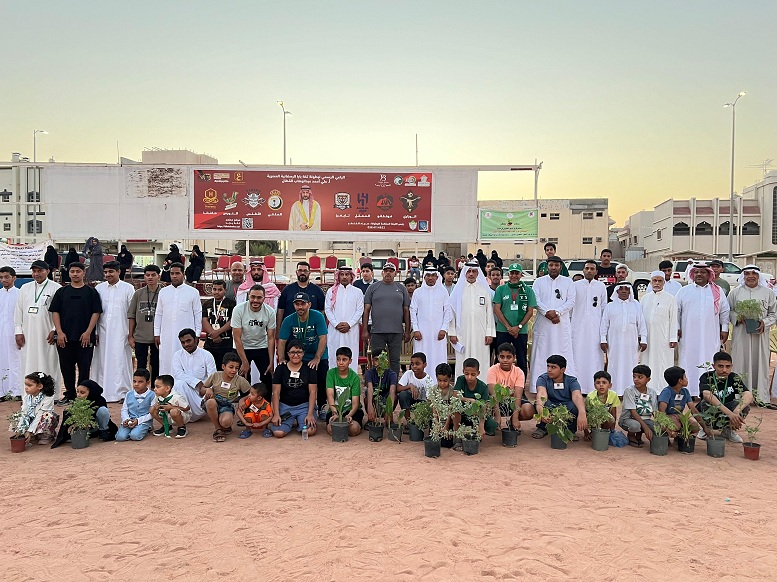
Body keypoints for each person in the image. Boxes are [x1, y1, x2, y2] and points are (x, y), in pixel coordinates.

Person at [49, 261, 102, 404]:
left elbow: (96, 313)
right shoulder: (62, 292)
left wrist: (88, 332)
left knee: (84, 368)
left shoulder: (91, 292)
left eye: (78, 271)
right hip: (64, 338)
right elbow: (55, 312)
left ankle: (82, 397)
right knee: (66, 368)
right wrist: (59, 332)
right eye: (72, 271)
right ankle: (70, 394)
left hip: (85, 338)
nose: (75, 274)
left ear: (83, 272)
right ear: (69, 273)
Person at [675, 262, 730, 397]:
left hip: (710, 334)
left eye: (703, 272)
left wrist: (724, 329)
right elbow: (676, 312)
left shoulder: (717, 291)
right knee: (688, 360)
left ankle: (708, 392)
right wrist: (677, 328)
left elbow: (724, 311)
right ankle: (689, 392)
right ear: (692, 274)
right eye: (697, 272)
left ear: (709, 274)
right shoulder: (684, 291)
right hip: (688, 334)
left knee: (709, 359)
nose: (699, 274)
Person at [728, 265, 777, 404]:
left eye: (754, 273)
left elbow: (774, 313)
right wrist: (738, 317)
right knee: (740, 362)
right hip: (741, 334)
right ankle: (739, 398)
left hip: (760, 336)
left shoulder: (768, 293)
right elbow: (728, 311)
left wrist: (765, 322)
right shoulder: (735, 293)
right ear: (743, 276)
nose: (750, 276)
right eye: (747, 273)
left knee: (760, 363)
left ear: (758, 276)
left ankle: (760, 397)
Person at [277, 292, 329, 412]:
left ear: (309, 304)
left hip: (318, 353)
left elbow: (323, 338)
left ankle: (321, 406)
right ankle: (303, 406)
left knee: (322, 378)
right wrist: (281, 359)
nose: (300, 307)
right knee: (301, 380)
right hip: (299, 355)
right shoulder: (288, 319)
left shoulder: (318, 316)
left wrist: (317, 358)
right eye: (297, 304)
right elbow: (282, 341)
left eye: (303, 304)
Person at [530, 256, 576, 392]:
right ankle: (537, 386)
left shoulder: (568, 282)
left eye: (556, 265)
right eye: (551, 265)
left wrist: (557, 312)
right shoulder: (538, 282)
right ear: (547, 266)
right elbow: (536, 301)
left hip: (561, 325)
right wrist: (547, 313)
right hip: (543, 325)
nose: (553, 268)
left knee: (563, 351)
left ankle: (566, 387)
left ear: (560, 267)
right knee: (541, 353)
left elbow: (571, 301)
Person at [93, 260, 135, 402]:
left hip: (122, 332)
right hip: (102, 332)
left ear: (118, 272)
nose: (108, 275)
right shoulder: (99, 288)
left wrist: (130, 333)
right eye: (106, 272)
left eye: (111, 272)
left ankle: (123, 393)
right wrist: (95, 332)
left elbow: (131, 313)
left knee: (121, 360)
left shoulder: (128, 288)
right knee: (101, 361)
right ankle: (101, 392)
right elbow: (96, 312)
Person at [15, 260, 61, 387]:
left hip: (47, 333)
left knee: (49, 361)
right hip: (28, 333)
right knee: (28, 361)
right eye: (34, 271)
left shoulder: (56, 288)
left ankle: (50, 393)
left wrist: (55, 329)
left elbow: (60, 312)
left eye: (40, 271)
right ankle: (29, 391)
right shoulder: (25, 288)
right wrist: (18, 331)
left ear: (47, 271)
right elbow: (18, 311)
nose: (36, 274)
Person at [448, 261, 495, 383]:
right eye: (468, 271)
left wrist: (489, 333)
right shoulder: (458, 291)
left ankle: (482, 385)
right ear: (464, 273)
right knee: (463, 359)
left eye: (474, 271)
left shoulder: (485, 291)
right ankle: (462, 387)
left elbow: (489, 313)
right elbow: (452, 313)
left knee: (482, 359)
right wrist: (452, 332)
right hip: (462, 333)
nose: (471, 274)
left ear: (478, 273)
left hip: (481, 333)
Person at [362, 262, 411, 375]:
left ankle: (393, 387)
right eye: (386, 270)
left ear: (395, 273)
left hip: (396, 332)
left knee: (394, 361)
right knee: (377, 360)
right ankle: (378, 386)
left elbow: (406, 311)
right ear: (382, 272)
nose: (388, 273)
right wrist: (365, 330)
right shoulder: (373, 288)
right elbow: (366, 310)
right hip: (377, 332)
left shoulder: (401, 288)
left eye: (391, 271)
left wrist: (407, 331)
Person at [154, 262, 202, 375]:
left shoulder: (193, 292)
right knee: (166, 361)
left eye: (177, 273)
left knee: (186, 363)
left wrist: (197, 334)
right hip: (166, 335)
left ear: (183, 274)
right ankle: (166, 388)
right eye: (172, 273)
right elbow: (159, 313)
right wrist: (157, 333)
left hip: (186, 337)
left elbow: (197, 314)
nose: (174, 276)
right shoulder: (163, 292)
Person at [600, 282, 647, 396]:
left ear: (630, 291)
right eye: (621, 289)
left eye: (627, 289)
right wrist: (603, 340)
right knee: (614, 365)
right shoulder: (610, 306)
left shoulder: (636, 305)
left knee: (631, 365)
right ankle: (614, 391)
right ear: (617, 291)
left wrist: (644, 339)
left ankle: (630, 391)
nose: (624, 291)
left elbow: (641, 323)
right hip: (614, 342)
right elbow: (604, 324)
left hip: (631, 343)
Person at [697, 351, 753, 442]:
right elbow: (707, 395)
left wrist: (736, 411)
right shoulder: (706, 376)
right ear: (713, 366)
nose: (724, 370)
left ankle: (728, 430)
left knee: (745, 406)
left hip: (729, 410)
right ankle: (705, 428)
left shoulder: (733, 377)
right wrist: (730, 414)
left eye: (728, 367)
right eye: (720, 366)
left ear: (732, 366)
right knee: (706, 402)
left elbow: (748, 395)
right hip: (712, 411)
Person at [570, 260, 607, 394]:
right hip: (577, 327)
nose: (589, 271)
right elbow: (570, 308)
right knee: (577, 356)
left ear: (596, 272)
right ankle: (577, 386)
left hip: (595, 327)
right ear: (583, 270)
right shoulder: (575, 286)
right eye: (587, 268)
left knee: (594, 356)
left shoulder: (601, 286)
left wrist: (603, 330)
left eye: (592, 269)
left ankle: (593, 387)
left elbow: (603, 308)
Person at [269, 339, 318, 438]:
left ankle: (301, 420)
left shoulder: (309, 368)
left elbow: (312, 392)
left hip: (304, 406)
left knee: (310, 431)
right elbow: (276, 393)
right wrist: (276, 414)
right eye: (292, 352)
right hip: (285, 406)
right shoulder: (280, 369)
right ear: (287, 353)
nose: (296, 355)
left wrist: (310, 414)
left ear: (303, 353)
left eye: (299, 352)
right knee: (279, 433)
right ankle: (289, 424)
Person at [493, 263, 536, 375]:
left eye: (517, 273)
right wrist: (508, 327)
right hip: (503, 330)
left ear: (521, 274)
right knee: (500, 359)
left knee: (521, 359)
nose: (514, 276)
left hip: (521, 331)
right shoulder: (501, 289)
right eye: (512, 273)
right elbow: (497, 309)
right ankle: (499, 386)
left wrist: (518, 327)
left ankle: (520, 389)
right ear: (508, 274)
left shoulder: (528, 291)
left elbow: (530, 311)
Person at [532, 355, 587, 440]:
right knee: (541, 403)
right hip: (551, 404)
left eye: (553, 367)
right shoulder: (543, 378)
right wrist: (541, 412)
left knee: (577, 405)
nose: (549, 370)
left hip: (566, 406)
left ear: (562, 370)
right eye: (548, 366)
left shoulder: (572, 381)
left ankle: (570, 431)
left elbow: (577, 396)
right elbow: (541, 394)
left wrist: (582, 414)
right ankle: (543, 428)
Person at [640, 271, 679, 393]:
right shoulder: (645, 299)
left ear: (664, 282)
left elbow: (673, 319)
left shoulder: (670, 298)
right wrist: (641, 337)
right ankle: (648, 388)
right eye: (654, 281)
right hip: (648, 337)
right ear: (651, 282)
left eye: (659, 281)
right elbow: (640, 319)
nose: (657, 283)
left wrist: (673, 338)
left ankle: (661, 389)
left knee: (663, 363)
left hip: (663, 337)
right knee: (647, 362)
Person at [231, 284, 276, 388]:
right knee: (243, 377)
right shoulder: (238, 310)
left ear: (264, 298)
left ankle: (266, 402)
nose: (255, 300)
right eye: (253, 297)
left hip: (261, 346)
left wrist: (271, 361)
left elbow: (271, 338)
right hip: (243, 346)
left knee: (267, 377)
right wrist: (244, 362)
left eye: (259, 297)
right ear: (248, 296)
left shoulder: (270, 312)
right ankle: (245, 402)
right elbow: (237, 338)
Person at [410, 268, 452, 375]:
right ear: (424, 277)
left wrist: (444, 329)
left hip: (438, 333)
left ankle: (438, 383)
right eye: (428, 275)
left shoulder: (443, 292)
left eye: (433, 275)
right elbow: (413, 311)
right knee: (421, 356)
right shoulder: (418, 292)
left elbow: (447, 311)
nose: (430, 278)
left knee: (438, 356)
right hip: (421, 333)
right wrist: (415, 329)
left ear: (437, 277)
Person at [202, 352, 251, 442]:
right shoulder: (215, 375)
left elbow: (250, 394)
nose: (234, 370)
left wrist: (242, 400)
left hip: (227, 406)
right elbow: (201, 391)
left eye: (237, 368)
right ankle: (218, 429)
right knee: (211, 402)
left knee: (226, 422)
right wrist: (207, 389)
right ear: (223, 366)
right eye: (231, 367)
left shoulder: (240, 380)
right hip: (214, 403)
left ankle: (225, 426)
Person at [170, 328, 217, 422]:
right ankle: (183, 416)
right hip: (186, 393)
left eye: (188, 341)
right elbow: (178, 374)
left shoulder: (207, 355)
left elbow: (213, 377)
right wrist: (197, 383)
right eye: (183, 342)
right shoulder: (177, 355)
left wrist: (205, 388)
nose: (186, 345)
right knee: (179, 383)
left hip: (202, 395)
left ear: (196, 339)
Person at [487, 343, 535, 431]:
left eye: (508, 357)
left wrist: (515, 418)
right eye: (502, 357)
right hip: (496, 402)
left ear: (514, 357)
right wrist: (497, 416)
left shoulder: (519, 372)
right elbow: (493, 394)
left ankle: (511, 421)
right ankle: (489, 423)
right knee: (483, 406)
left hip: (512, 401)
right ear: (497, 357)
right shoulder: (492, 370)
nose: (505, 360)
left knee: (528, 409)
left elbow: (518, 395)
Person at [324, 267, 364, 373]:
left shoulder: (357, 292)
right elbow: (328, 310)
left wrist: (349, 324)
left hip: (351, 330)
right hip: (334, 330)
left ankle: (351, 384)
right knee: (334, 356)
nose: (344, 277)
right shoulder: (331, 291)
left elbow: (360, 310)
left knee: (351, 355)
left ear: (351, 276)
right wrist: (336, 324)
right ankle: (333, 384)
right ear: (338, 276)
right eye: (342, 274)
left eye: (347, 274)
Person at [128, 265, 161, 383]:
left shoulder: (163, 293)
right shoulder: (138, 293)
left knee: (156, 364)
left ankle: (154, 388)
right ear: (144, 277)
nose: (150, 277)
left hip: (157, 337)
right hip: (140, 336)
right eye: (147, 275)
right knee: (141, 365)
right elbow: (131, 315)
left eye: (153, 275)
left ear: (159, 276)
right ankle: (140, 390)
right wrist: (131, 335)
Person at [453, 358, 498, 438]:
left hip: (477, 414)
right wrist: (470, 400)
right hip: (463, 413)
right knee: (455, 407)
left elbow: (484, 407)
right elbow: (455, 395)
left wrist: (481, 424)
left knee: (492, 425)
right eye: (467, 374)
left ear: (478, 373)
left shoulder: (483, 386)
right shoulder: (460, 379)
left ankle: (474, 428)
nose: (469, 377)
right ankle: (458, 434)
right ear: (463, 372)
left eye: (473, 374)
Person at [325, 347, 363, 437]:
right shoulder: (331, 373)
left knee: (354, 429)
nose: (340, 362)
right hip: (335, 410)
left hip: (351, 411)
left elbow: (355, 402)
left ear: (350, 361)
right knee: (331, 429)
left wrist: (349, 415)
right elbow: (330, 396)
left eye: (344, 360)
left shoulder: (355, 377)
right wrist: (335, 413)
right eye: (338, 359)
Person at [13, 372, 58, 445]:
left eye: (29, 385)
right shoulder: (27, 397)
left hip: (41, 418)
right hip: (32, 418)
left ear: (39, 386)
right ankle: (30, 434)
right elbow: (24, 412)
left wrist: (30, 431)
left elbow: (40, 415)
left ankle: (47, 435)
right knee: (17, 416)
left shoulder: (48, 398)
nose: (26, 388)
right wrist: (20, 429)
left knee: (47, 416)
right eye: (25, 385)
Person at [618, 365, 656, 447]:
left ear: (648, 379)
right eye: (634, 377)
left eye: (640, 377)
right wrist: (646, 427)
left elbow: (655, 411)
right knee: (635, 425)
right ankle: (631, 436)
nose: (636, 379)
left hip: (645, 419)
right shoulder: (629, 391)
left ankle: (639, 435)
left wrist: (661, 425)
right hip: (628, 419)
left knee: (656, 427)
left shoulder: (652, 392)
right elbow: (633, 411)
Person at [657, 366, 703, 437]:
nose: (687, 379)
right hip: (667, 416)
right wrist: (665, 426)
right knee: (676, 425)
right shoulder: (667, 392)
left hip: (679, 416)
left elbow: (693, 410)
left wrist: (705, 428)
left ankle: (679, 437)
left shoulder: (685, 392)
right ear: (680, 381)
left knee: (694, 426)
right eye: (685, 377)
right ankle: (666, 436)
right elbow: (661, 411)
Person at [201, 279, 237, 369]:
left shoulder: (231, 303)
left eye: (220, 290)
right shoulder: (207, 304)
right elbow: (204, 320)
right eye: (214, 289)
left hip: (226, 343)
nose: (216, 292)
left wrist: (218, 332)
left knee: (224, 368)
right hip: (210, 343)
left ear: (225, 290)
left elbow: (232, 321)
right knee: (210, 368)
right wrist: (213, 335)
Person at [115, 368, 155, 442]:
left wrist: (138, 421)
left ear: (148, 383)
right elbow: (124, 409)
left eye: (140, 382)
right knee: (120, 437)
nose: (136, 384)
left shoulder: (152, 395)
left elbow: (152, 414)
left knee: (135, 436)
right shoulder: (129, 394)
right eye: (134, 381)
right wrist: (126, 419)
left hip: (143, 421)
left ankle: (147, 428)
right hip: (129, 420)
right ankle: (132, 430)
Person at [0, 266, 21, 398]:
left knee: (16, 361)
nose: (4, 280)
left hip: (15, 333)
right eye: (1, 277)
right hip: (1, 333)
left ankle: (17, 391)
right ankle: (2, 391)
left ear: (14, 278)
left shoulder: (20, 294)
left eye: (6, 277)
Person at [397, 352, 435, 423]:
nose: (414, 366)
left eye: (417, 364)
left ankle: (421, 423)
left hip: (423, 404)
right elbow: (398, 388)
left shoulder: (429, 380)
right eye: (412, 364)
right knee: (402, 395)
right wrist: (410, 386)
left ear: (425, 365)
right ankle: (409, 422)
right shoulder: (408, 374)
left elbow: (430, 400)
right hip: (411, 402)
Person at [150, 374, 191, 438]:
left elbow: (187, 408)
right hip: (167, 416)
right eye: (155, 387)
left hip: (181, 416)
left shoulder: (176, 397)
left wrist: (172, 407)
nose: (155, 389)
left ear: (167, 388)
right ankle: (167, 426)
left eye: (158, 387)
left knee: (173, 411)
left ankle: (181, 427)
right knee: (152, 409)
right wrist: (157, 407)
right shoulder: (158, 396)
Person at [365, 349, 398, 426]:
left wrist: (389, 409)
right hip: (375, 399)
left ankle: (389, 418)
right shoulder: (369, 373)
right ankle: (371, 419)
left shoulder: (392, 374)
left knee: (395, 397)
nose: (379, 363)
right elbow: (370, 388)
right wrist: (370, 405)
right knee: (367, 395)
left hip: (387, 400)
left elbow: (392, 390)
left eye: (382, 360)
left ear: (386, 361)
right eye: (376, 360)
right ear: (373, 361)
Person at [583, 371, 618, 441]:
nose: (601, 385)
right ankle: (594, 432)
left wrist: (612, 431)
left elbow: (613, 414)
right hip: (593, 421)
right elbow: (585, 415)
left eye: (604, 383)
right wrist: (586, 433)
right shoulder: (590, 397)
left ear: (610, 385)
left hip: (605, 421)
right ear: (594, 385)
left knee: (610, 419)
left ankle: (604, 433)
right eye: (598, 383)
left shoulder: (613, 395)